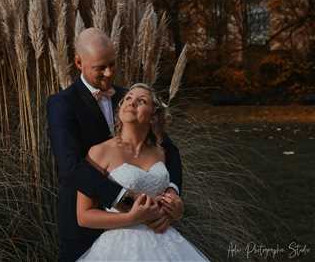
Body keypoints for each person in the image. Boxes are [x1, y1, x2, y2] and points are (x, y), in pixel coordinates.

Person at [47, 28, 183, 262]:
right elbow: (70, 167)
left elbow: (170, 150)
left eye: (112, 64)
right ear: (79, 62)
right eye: (100, 67)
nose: (109, 73)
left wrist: (172, 196)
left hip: (151, 234)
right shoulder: (62, 104)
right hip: (86, 228)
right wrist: (129, 202)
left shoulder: (129, 97)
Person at [77, 83, 210, 261]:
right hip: (119, 247)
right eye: (128, 98)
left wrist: (177, 210)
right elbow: (84, 216)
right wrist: (131, 218)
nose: (132, 103)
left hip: (166, 242)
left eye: (141, 101)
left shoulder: (162, 152)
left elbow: (171, 198)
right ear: (120, 108)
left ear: (153, 116)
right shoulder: (99, 152)